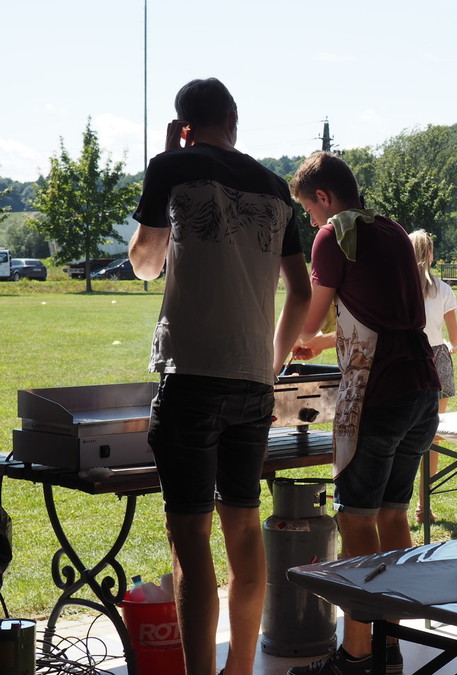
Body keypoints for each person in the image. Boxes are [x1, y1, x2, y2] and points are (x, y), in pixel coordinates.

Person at [129, 78, 311, 675]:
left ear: (184, 125)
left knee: (190, 541)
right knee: (244, 529)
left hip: (190, 377)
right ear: (234, 119)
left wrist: (168, 160)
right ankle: (242, 668)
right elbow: (301, 290)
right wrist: (271, 364)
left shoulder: (170, 167)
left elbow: (145, 265)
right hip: (253, 382)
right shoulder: (276, 187)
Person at [288, 152, 440, 674]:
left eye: (308, 209)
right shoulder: (392, 230)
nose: (310, 219)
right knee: (394, 515)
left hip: (379, 392)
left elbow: (308, 320)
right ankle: (390, 647)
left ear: (323, 197)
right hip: (421, 386)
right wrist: (323, 341)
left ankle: (356, 655)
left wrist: (290, 340)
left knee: (355, 521)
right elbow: (379, 312)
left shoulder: (334, 235)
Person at [409, 229, 457, 524]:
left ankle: (394, 506)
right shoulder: (443, 289)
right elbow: (455, 336)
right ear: (430, 254)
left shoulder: (396, 287)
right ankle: (423, 505)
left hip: (405, 358)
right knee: (432, 437)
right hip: (437, 359)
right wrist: (452, 345)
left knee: (400, 435)